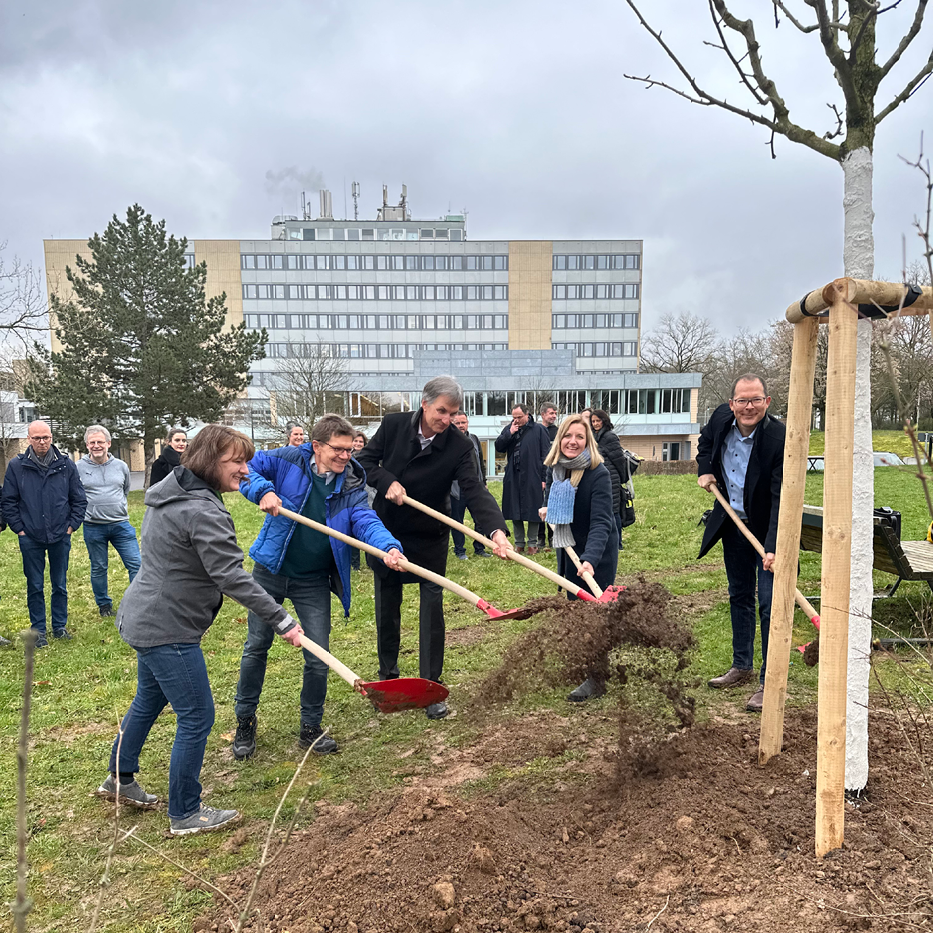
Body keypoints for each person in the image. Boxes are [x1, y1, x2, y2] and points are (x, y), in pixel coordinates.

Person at [95, 425, 305, 835]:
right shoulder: (202, 510)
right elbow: (231, 576)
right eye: (236, 461)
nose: (245, 470)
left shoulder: (169, 491)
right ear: (210, 461)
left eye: (246, 461)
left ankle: (118, 779)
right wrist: (281, 619)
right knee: (197, 715)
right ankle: (185, 812)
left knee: (148, 699)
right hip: (167, 627)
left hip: (142, 615)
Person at [232, 415, 403, 759]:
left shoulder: (352, 481)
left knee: (319, 654)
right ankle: (245, 722)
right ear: (317, 447)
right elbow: (244, 464)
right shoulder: (286, 460)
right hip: (271, 570)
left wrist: (388, 546)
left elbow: (365, 519)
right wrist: (262, 490)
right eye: (338, 450)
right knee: (257, 646)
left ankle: (311, 727)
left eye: (351, 448)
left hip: (313, 579)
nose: (346, 456)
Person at [356, 375, 512, 719]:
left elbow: (474, 489)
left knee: (432, 607)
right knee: (387, 603)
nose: (447, 419)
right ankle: (389, 677)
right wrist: (387, 482)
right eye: (441, 411)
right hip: (387, 531)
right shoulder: (394, 424)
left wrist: (496, 530)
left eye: (453, 412)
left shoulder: (458, 445)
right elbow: (365, 462)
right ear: (424, 403)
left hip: (430, 534)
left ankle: (431, 686)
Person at [697, 373, 785, 713]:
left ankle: (769, 680)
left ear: (767, 402)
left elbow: (781, 498)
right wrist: (705, 468)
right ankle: (742, 665)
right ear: (732, 403)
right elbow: (705, 443)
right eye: (742, 401)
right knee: (740, 595)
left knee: (769, 602)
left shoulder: (777, 439)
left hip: (765, 530)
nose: (749, 407)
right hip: (732, 525)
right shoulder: (721, 418)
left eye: (756, 400)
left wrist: (774, 545)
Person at [540, 414, 618, 702]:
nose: (573, 442)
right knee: (576, 611)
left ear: (588, 442)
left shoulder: (598, 473)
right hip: (570, 550)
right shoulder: (555, 469)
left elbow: (602, 522)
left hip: (595, 552)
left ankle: (597, 678)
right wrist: (549, 510)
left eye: (580, 437)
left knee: (594, 615)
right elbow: (560, 505)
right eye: (568, 436)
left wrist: (590, 560)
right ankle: (588, 668)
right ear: (560, 439)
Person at [2, 421, 87, 647]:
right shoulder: (17, 466)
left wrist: (71, 526)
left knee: (59, 583)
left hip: (61, 534)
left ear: (52, 437)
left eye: (46, 437)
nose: (42, 442)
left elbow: (78, 498)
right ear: (28, 439)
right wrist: (19, 529)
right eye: (37, 438)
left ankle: (59, 626)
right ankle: (38, 630)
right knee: (35, 585)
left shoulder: (66, 465)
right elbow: (8, 501)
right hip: (30, 536)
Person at [76, 425, 142, 618]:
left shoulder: (121, 466)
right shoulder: (78, 468)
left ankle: (137, 604)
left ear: (108, 443)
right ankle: (104, 605)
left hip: (121, 524)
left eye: (100, 442)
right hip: (93, 526)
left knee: (136, 565)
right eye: (92, 442)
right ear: (87, 445)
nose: (97, 446)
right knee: (98, 567)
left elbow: (126, 490)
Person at [495, 403, 550, 554]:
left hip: (534, 474)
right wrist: (509, 433)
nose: (517, 420)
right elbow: (499, 447)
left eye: (519, 417)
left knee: (534, 508)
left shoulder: (539, 430)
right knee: (514, 509)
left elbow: (546, 455)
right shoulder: (510, 429)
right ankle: (519, 544)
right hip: (513, 475)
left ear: (527, 415)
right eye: (514, 417)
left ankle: (532, 544)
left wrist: (544, 478)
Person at [589, 410, 632, 551]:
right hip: (599, 476)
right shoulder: (594, 436)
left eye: (598, 421)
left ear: (604, 420)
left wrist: (622, 478)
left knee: (614, 512)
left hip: (611, 478)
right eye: (593, 421)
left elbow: (619, 459)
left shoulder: (609, 436)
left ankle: (618, 543)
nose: (595, 424)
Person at [450, 411, 490, 561]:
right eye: (457, 423)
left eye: (463, 422)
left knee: (480, 519)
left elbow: (481, 462)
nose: (461, 426)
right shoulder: (447, 441)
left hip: (475, 487)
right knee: (457, 521)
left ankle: (480, 548)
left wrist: (484, 482)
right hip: (456, 489)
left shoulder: (474, 439)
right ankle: (460, 550)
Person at [536, 402, 559, 551]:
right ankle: (540, 537)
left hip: (554, 475)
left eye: (555, 413)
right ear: (543, 414)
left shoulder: (558, 432)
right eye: (551, 413)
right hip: (538, 476)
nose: (554, 416)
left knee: (552, 505)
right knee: (540, 507)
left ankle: (553, 537)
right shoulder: (536, 431)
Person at [349, 431, 368, 571]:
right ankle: (354, 564)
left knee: (368, 527)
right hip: (351, 496)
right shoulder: (347, 459)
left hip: (368, 495)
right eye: (355, 441)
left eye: (360, 442)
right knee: (352, 531)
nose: (358, 444)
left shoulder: (369, 458)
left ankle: (370, 561)